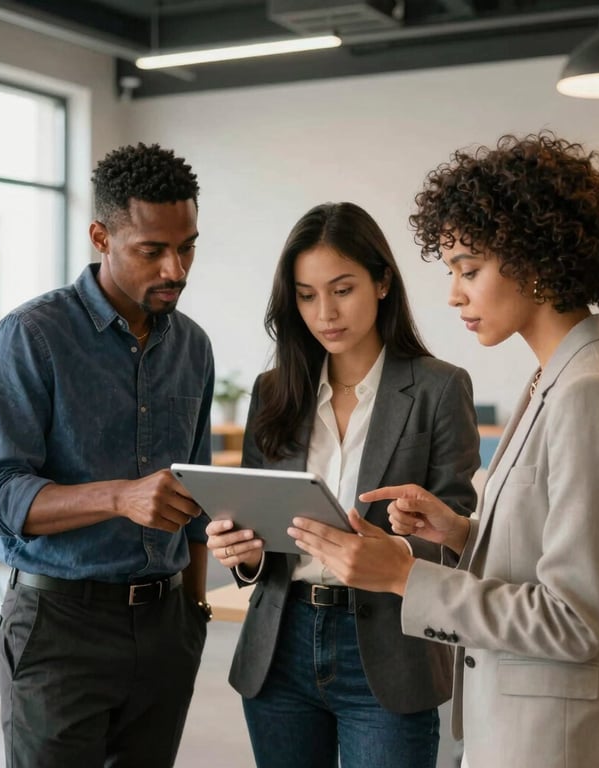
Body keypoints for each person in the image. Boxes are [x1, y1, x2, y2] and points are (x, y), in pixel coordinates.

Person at [288, 133, 599, 768]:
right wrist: (464, 533)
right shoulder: (560, 378)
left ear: (538, 261)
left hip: (563, 740)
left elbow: (572, 619)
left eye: (469, 270)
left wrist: (403, 574)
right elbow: (550, 549)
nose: (454, 294)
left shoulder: (590, 393)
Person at [206, 201, 480, 768]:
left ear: (382, 282)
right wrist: (244, 553)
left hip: (386, 646)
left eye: (342, 289)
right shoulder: (273, 391)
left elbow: (460, 535)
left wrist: (398, 550)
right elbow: (257, 529)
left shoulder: (439, 388)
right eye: (306, 295)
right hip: (280, 644)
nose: (324, 312)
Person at [0, 143, 215, 768]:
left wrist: (193, 612)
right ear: (101, 236)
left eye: (186, 245)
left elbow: (197, 499)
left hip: (166, 628)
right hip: (58, 627)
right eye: (152, 251)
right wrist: (119, 496)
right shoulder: (31, 337)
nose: (176, 269)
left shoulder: (192, 345)